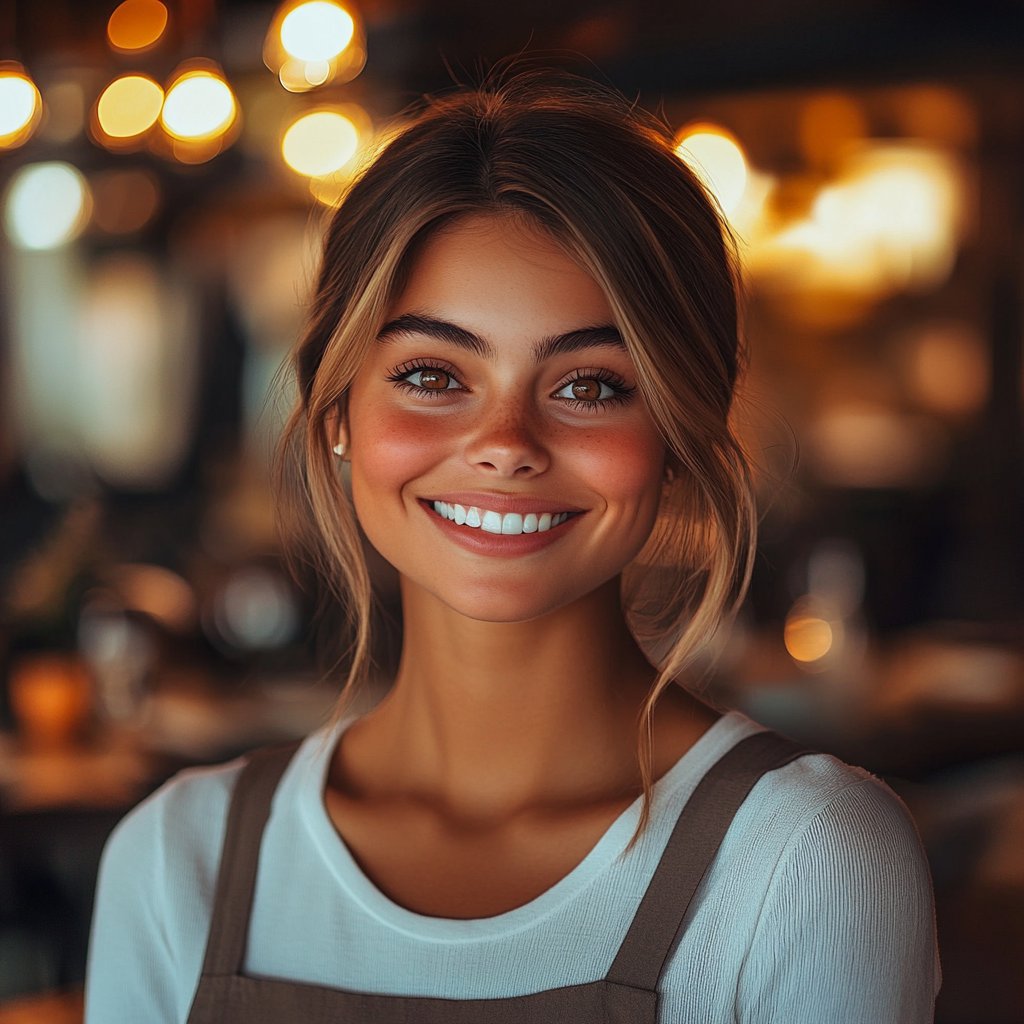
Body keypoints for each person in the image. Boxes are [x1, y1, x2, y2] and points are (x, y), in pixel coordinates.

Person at [85, 68, 941, 1023]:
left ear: (680, 432)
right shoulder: (176, 861)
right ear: (336, 412)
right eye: (431, 375)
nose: (504, 444)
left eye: (589, 386)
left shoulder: (805, 859)